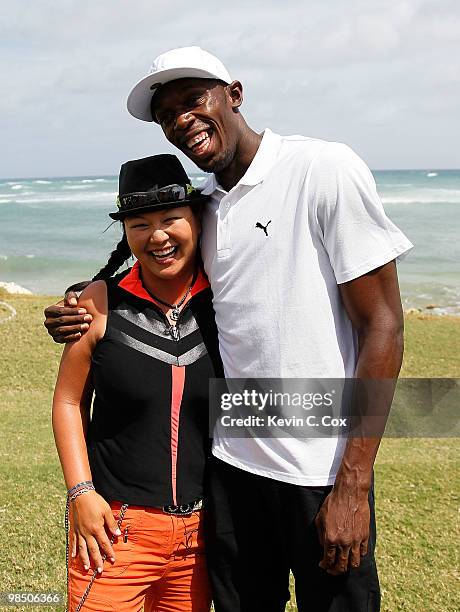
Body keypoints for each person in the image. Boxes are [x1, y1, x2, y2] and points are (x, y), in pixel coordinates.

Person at [45, 47, 414, 611]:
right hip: (232, 476)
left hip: (321, 474)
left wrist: (354, 481)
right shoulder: (208, 209)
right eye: (168, 115)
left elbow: (384, 325)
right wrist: (80, 303)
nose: (182, 121)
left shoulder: (322, 168)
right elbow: (149, 262)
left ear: (234, 94)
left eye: (194, 100)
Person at [52, 153, 223, 612]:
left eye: (172, 218)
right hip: (114, 530)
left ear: (197, 219)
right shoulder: (99, 303)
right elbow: (69, 401)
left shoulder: (228, 302)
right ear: (126, 235)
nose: (158, 236)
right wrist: (81, 494)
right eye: (139, 224)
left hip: (204, 535)